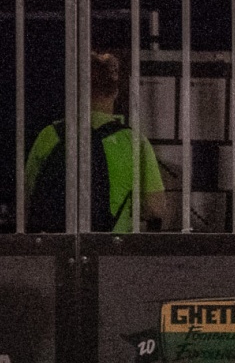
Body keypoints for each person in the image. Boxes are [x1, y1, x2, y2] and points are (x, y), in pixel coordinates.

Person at [24, 51, 170, 232]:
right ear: (115, 92)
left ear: (77, 91)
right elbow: (155, 209)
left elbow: (27, 199)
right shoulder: (133, 142)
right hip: (110, 244)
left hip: (56, 243)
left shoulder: (50, 135)